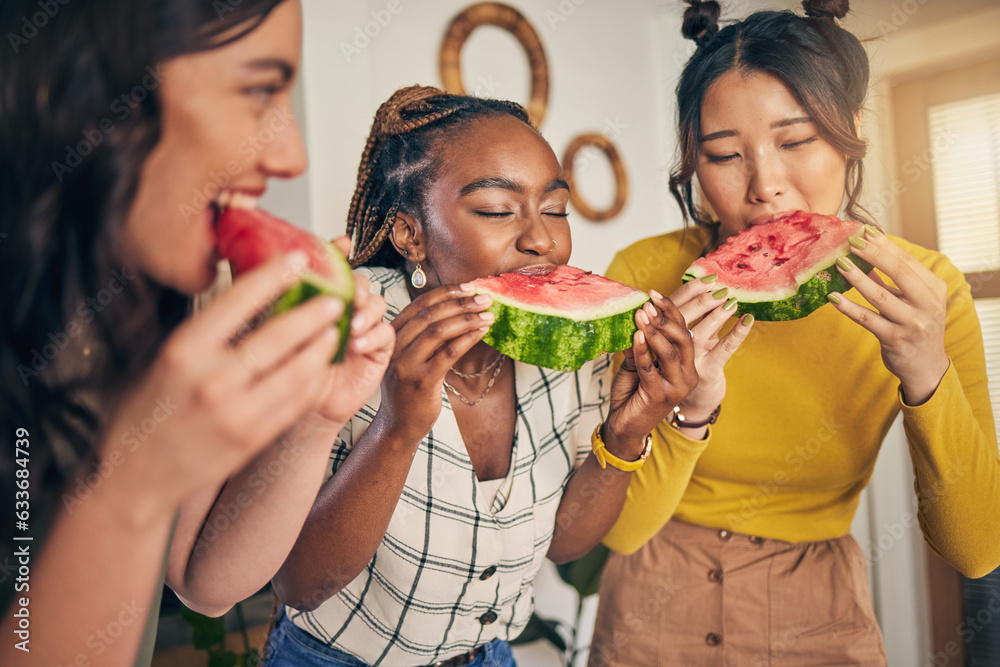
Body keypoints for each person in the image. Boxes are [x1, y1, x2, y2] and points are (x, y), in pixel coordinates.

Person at [259, 85, 749, 667]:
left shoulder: (572, 344)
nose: (541, 239)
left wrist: (626, 432)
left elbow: (565, 546)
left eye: (555, 209)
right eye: (496, 210)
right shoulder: (339, 332)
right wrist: (396, 427)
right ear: (409, 234)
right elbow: (299, 586)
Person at [588, 1, 1000, 665]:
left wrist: (927, 372)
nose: (766, 187)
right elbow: (624, 530)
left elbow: (978, 547)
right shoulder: (646, 275)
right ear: (694, 160)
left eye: (797, 140)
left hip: (817, 612)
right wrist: (687, 408)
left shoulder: (927, 292)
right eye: (724, 153)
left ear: (851, 130)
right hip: (651, 605)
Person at [0, 1, 392, 664]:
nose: (291, 154)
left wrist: (318, 420)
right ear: (95, 88)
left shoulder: (154, 297)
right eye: (260, 88)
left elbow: (205, 582)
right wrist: (131, 490)